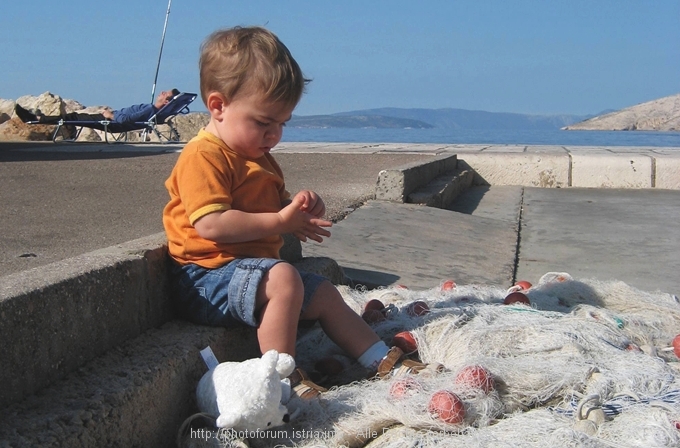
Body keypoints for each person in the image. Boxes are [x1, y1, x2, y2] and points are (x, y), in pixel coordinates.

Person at [162, 26, 426, 397]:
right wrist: (280, 221)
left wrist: (296, 209)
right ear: (218, 106)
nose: (274, 135)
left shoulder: (259, 158)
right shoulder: (203, 156)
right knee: (287, 278)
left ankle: (378, 357)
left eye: (282, 124)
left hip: (251, 274)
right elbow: (211, 224)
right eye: (263, 123)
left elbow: (271, 207)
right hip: (206, 279)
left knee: (324, 294)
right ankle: (281, 379)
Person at [14, 88, 180, 124]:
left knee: (72, 117)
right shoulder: (152, 109)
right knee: (74, 116)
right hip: (110, 117)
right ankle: (36, 117)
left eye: (165, 94)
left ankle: (35, 118)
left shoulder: (150, 109)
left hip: (110, 121)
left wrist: (110, 115)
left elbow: (127, 120)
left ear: (166, 101)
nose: (162, 92)